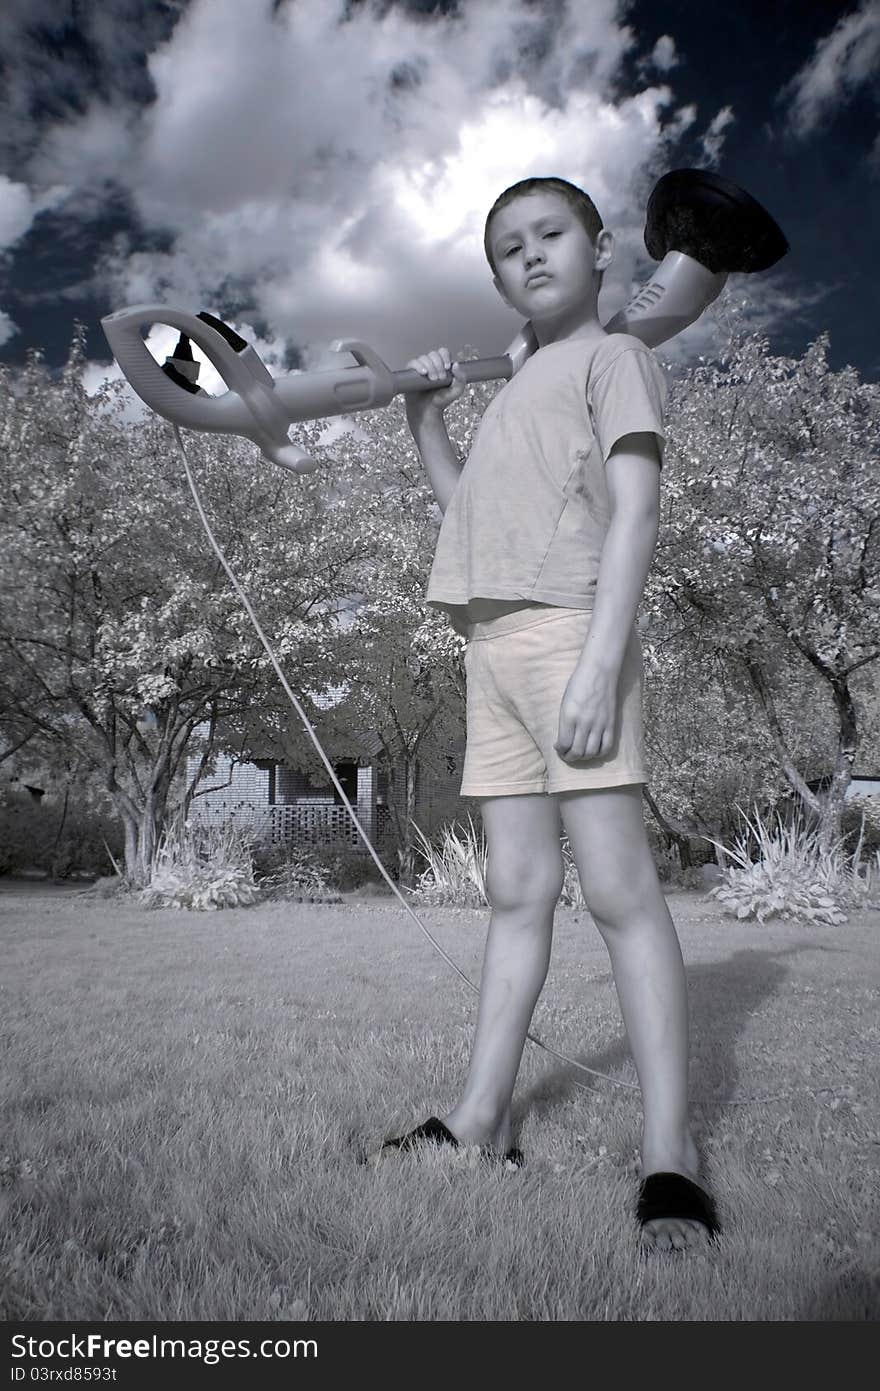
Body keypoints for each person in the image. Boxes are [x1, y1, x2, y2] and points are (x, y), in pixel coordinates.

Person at [365, 175, 720, 1252]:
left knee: (618, 892)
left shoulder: (616, 358)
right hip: (491, 649)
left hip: (573, 636)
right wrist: (426, 414)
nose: (528, 255)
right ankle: (479, 1120)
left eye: (549, 233)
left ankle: (670, 1153)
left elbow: (636, 512)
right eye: (505, 247)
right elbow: (466, 509)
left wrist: (599, 662)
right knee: (514, 895)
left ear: (599, 247)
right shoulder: (520, 384)